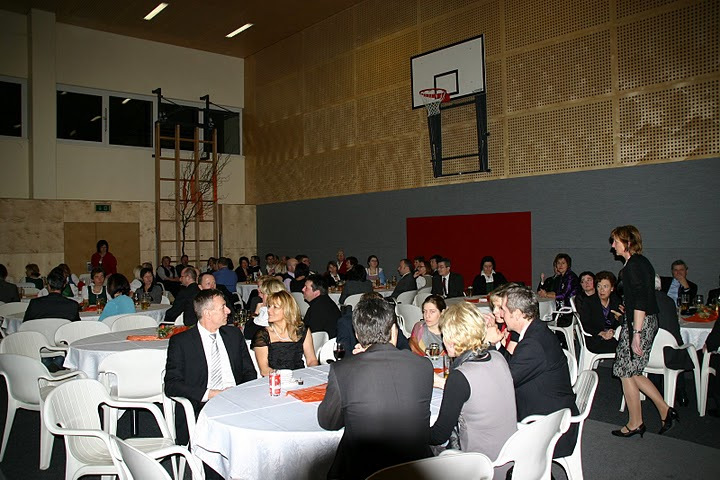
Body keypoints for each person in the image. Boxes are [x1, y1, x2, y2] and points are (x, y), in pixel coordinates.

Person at [317, 295, 434, 480]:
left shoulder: (343, 370)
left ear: (358, 335)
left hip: (364, 471)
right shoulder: (424, 366)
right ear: (394, 331)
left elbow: (329, 422)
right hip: (418, 469)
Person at [164, 288, 257, 462]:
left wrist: (240, 393)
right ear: (207, 313)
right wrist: (212, 394)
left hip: (237, 400)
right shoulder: (182, 342)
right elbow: (171, 385)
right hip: (202, 406)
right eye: (223, 307)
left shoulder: (234, 335)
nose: (228, 311)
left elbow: (249, 372)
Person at [610, 225, 677, 437]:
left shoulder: (633, 265)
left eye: (616, 241)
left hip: (639, 324)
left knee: (625, 371)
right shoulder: (640, 262)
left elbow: (641, 300)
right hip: (640, 320)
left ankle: (636, 422)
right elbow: (641, 295)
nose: (613, 245)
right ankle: (664, 410)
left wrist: (636, 334)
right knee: (632, 371)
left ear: (627, 242)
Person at [430, 302, 517, 465]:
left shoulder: (460, 377)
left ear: (452, 339)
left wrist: (412, 428)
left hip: (483, 464)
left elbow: (439, 435)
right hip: (511, 453)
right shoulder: (498, 357)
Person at [498, 284, 578, 457]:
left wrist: (491, 345)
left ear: (517, 314)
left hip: (550, 426)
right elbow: (509, 366)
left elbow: (503, 382)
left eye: (503, 309)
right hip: (547, 410)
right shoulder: (534, 329)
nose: (501, 314)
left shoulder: (533, 344)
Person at [251, 290, 318, 375]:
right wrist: (284, 377)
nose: (269, 310)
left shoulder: (302, 331)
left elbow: (311, 360)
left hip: (300, 377)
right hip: (275, 379)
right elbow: (264, 370)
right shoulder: (263, 335)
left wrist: (312, 374)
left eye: (275, 307)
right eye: (269, 306)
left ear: (287, 310)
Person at [578, 271, 621, 354]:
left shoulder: (616, 301)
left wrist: (613, 331)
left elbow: (617, 322)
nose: (601, 290)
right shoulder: (588, 302)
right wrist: (601, 333)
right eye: (599, 286)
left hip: (613, 336)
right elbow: (585, 324)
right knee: (624, 347)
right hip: (595, 338)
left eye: (605, 286)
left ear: (612, 288)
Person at [246, 276, 286, 341]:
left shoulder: (269, 311)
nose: (261, 296)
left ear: (270, 295)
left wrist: (256, 313)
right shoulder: (284, 307)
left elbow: (248, 333)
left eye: (263, 293)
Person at [302, 274, 341, 338]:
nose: (303, 289)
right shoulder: (328, 302)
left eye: (306, 288)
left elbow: (307, 333)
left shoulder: (315, 309)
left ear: (317, 293)